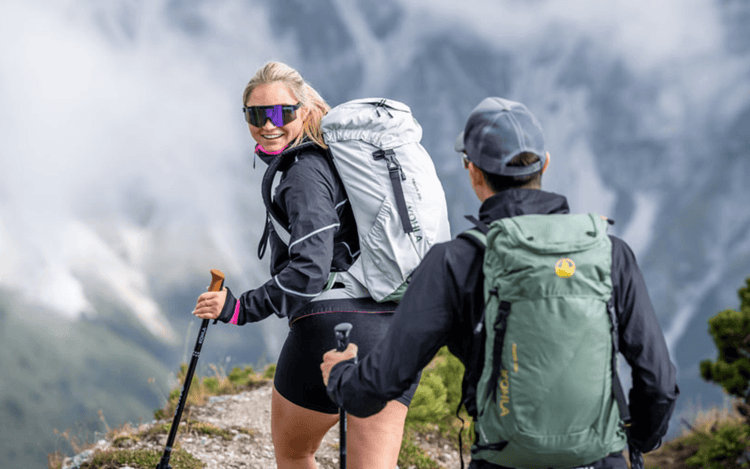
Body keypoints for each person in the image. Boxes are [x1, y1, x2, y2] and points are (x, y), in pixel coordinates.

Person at [322, 97, 680, 469]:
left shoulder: (455, 261)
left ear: (473, 171)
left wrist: (341, 375)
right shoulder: (610, 252)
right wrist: (631, 442)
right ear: (545, 163)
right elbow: (658, 380)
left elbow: (379, 385)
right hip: (600, 459)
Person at [192, 61, 418, 469]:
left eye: (281, 113)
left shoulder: (303, 173)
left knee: (296, 453)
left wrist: (240, 308)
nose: (268, 124)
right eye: (255, 115)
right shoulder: (344, 162)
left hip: (330, 327)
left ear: (305, 109)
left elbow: (310, 271)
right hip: (393, 327)